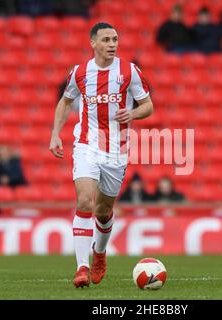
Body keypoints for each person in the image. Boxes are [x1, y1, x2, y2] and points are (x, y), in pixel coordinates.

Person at [49, 22, 153, 288]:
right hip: (86, 145)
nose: (112, 44)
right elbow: (66, 100)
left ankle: (100, 253)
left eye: (115, 39)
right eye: (106, 39)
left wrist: (132, 113)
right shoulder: (80, 72)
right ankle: (81, 267)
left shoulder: (129, 72)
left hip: (116, 151)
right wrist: (55, 134)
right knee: (84, 201)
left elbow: (148, 106)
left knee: (103, 210)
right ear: (93, 43)